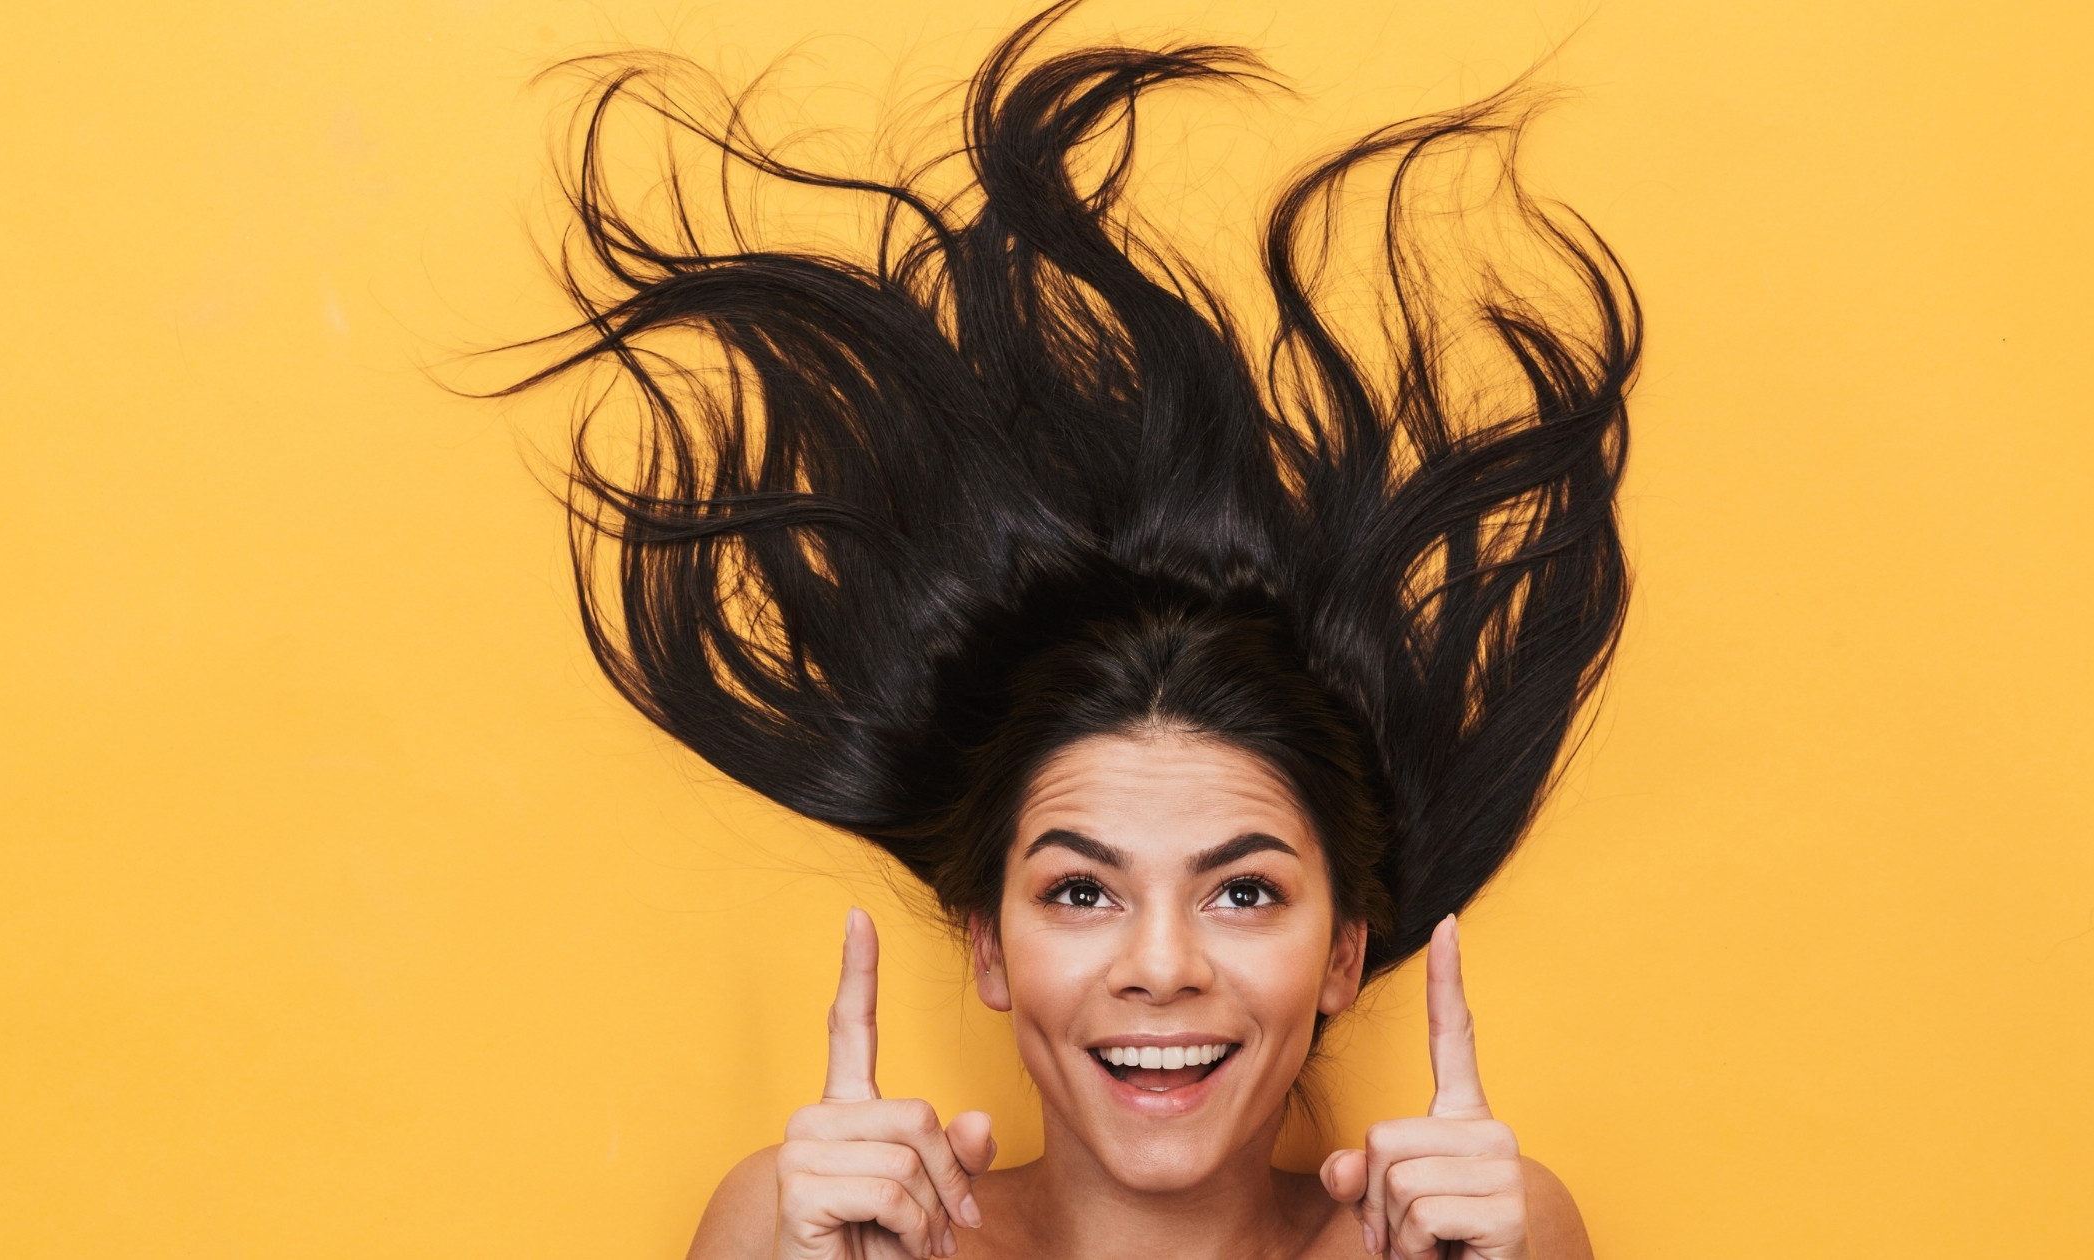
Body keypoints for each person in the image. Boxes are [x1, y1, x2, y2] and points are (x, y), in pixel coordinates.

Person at [506, 3, 1638, 1255]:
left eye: (1245, 890)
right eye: (1082, 888)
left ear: (1341, 955)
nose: (1160, 965)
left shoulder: (1488, 1237)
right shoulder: (796, 1228)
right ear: (988, 946)